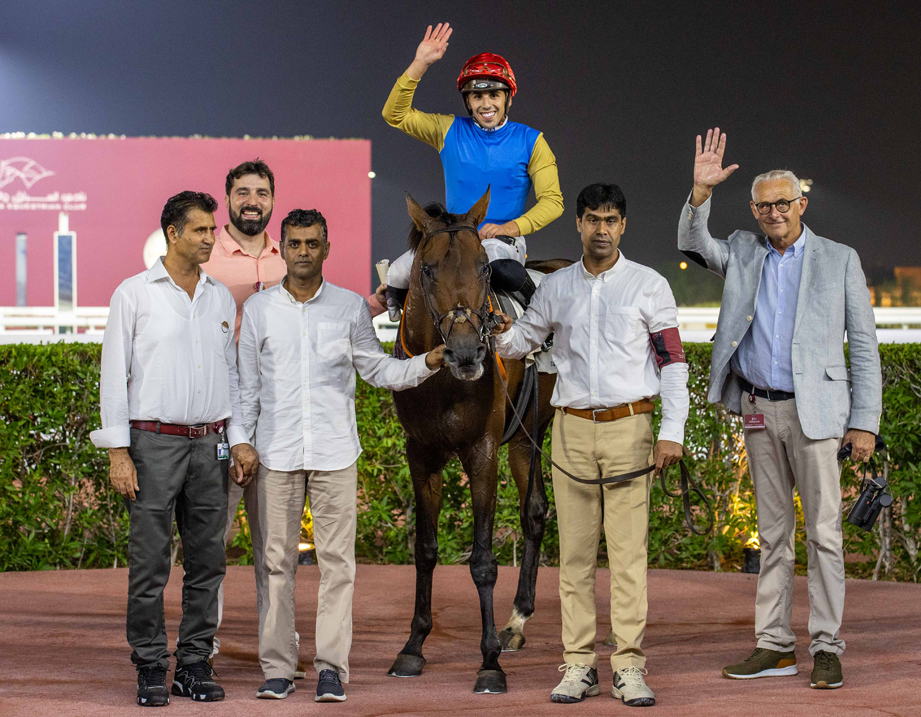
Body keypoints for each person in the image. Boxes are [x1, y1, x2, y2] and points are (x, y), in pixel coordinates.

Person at [677, 128, 882, 689]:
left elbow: (864, 345)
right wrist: (699, 193)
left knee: (824, 535)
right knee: (772, 536)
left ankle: (826, 647)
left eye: (782, 203)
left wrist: (864, 422)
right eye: (763, 205)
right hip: (759, 410)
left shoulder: (840, 259)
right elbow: (694, 245)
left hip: (816, 417)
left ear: (802, 205)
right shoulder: (742, 249)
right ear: (753, 209)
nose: (773, 213)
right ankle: (773, 645)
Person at [492, 184, 689, 707]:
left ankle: (628, 666)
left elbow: (673, 364)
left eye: (611, 220)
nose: (601, 229)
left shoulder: (650, 285)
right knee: (575, 559)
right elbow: (522, 341)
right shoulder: (555, 288)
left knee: (628, 558)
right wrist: (491, 329)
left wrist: (673, 433)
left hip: (630, 428)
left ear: (623, 226)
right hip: (571, 430)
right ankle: (579, 665)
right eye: (592, 219)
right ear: (578, 224)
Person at [240, 209, 445, 702]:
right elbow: (245, 387)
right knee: (274, 565)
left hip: (335, 453)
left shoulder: (351, 308)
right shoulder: (259, 311)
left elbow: (377, 370)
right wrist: (242, 441)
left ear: (326, 249)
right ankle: (278, 667)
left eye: (313, 243)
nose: (304, 251)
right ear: (282, 249)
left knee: (338, 566)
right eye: (295, 243)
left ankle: (332, 667)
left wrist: (425, 364)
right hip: (274, 453)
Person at [203, 160, 388, 678]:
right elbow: (237, 372)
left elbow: (358, 351)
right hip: (228, 427)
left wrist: (417, 352)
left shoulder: (327, 295)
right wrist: (239, 438)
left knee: (276, 560)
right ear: (229, 198)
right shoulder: (207, 257)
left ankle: (291, 662)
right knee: (213, 548)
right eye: (242, 191)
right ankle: (203, 650)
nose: (251, 200)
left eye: (261, 191)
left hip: (290, 440)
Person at [90, 191, 260, 707]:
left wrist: (238, 440)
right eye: (202, 230)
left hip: (211, 445)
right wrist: (119, 452)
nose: (213, 237)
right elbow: (113, 377)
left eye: (213, 230)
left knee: (208, 562)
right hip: (151, 445)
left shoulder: (216, 296)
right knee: (150, 565)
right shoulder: (134, 293)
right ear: (172, 233)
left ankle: (192, 664)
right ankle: (148, 665)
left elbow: (229, 375)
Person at [381, 22, 564, 318]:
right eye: (477, 96)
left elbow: (553, 203)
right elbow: (394, 114)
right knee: (397, 274)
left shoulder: (532, 141)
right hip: (450, 238)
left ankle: (539, 330)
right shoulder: (447, 129)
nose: (486, 103)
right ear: (467, 100)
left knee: (491, 266)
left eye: (494, 94)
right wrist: (420, 63)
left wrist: (509, 228)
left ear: (508, 98)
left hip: (502, 244)